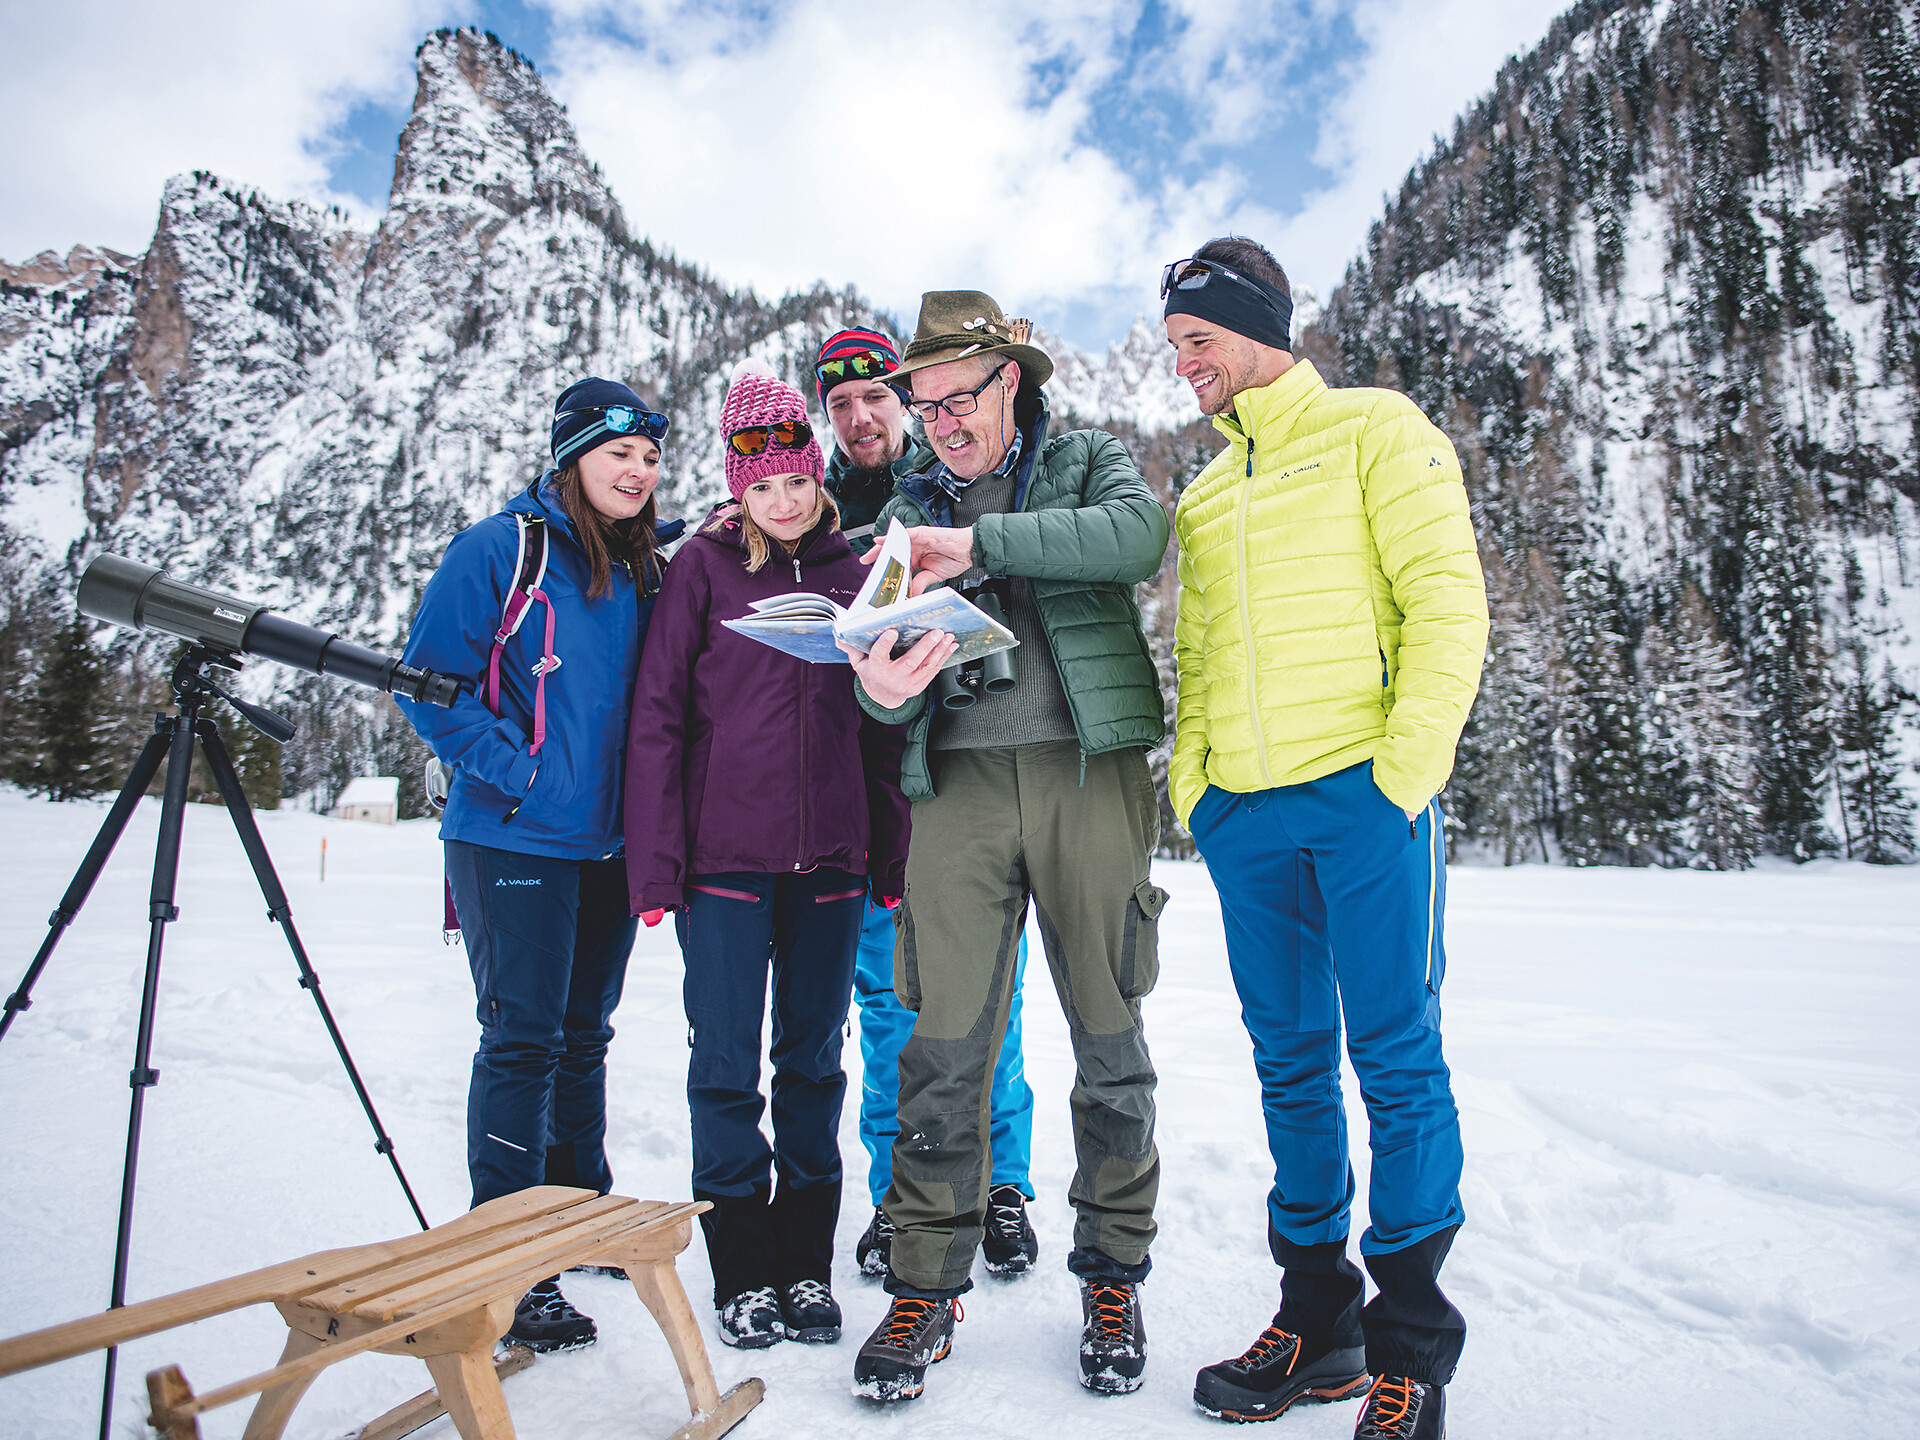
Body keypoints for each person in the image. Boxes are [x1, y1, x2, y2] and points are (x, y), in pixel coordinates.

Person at [1162, 237, 1487, 1440]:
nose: (1185, 367)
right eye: (1175, 347)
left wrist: (1401, 775)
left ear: (1259, 333)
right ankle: (1319, 1324)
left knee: (1396, 1058)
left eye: (1200, 342)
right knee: (1289, 1063)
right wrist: (1202, 792)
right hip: (1247, 821)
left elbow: (1449, 603)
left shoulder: (1376, 433)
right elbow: (1196, 661)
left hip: (1365, 801)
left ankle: (1409, 1351)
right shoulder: (1203, 495)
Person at [837, 292, 1171, 1403]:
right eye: (921, 403)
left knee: (1108, 1031)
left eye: (957, 397)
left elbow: (1136, 540)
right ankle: (926, 1285)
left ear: (1008, 382)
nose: (939, 421)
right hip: (960, 792)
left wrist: (976, 541)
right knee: (942, 1044)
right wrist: (881, 692)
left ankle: (1113, 1272)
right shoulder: (903, 503)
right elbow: (884, 678)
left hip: (1089, 776)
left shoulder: (1085, 461)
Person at [624, 361, 916, 1350]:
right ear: (736, 488)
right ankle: (742, 1271)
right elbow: (658, 717)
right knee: (724, 1070)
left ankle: (804, 1268)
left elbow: (884, 732)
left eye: (797, 481)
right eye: (762, 487)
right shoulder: (701, 570)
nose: (783, 501)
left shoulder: (856, 573)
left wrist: (891, 855)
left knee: (812, 1068)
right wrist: (656, 867)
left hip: (833, 864)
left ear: (817, 478)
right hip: (722, 867)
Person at [397, 377, 681, 1353]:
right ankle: (513, 1263)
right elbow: (428, 688)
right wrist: (518, 773)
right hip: (511, 837)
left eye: (649, 457)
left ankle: (578, 1214)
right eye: (618, 454)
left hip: (604, 846)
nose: (638, 471)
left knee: (583, 1036)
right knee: (522, 1040)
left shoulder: (645, 567)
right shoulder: (500, 551)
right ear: (573, 459)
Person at [814, 326, 1040, 1281]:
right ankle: (895, 1196)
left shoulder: (947, 492)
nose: (862, 418)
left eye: (877, 399)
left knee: (998, 1003)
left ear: (906, 403)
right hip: (866, 802)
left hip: (963, 781)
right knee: (888, 1010)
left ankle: (1003, 1190)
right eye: (841, 405)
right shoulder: (804, 513)